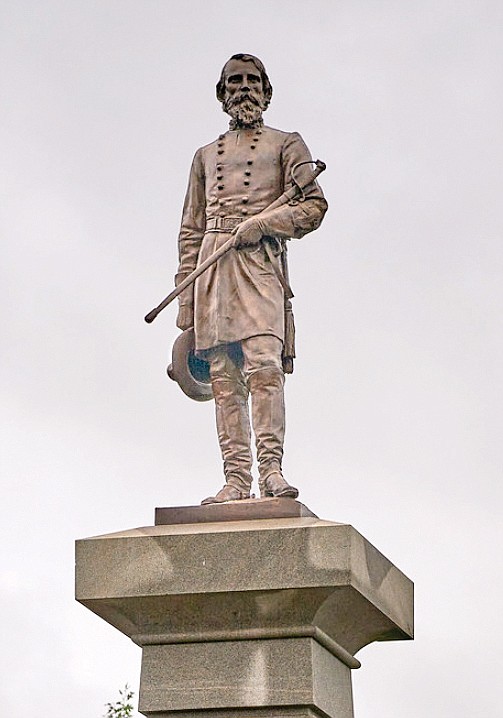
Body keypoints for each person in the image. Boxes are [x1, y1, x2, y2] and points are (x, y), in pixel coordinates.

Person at [175, 54, 327, 504]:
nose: (245, 88)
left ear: (267, 91)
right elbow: (190, 228)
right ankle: (236, 479)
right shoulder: (204, 156)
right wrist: (186, 299)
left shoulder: (287, 144)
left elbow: (313, 207)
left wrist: (264, 226)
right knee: (223, 376)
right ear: (222, 94)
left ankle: (272, 471)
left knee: (263, 366)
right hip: (213, 266)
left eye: (253, 80)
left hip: (259, 263)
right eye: (235, 81)